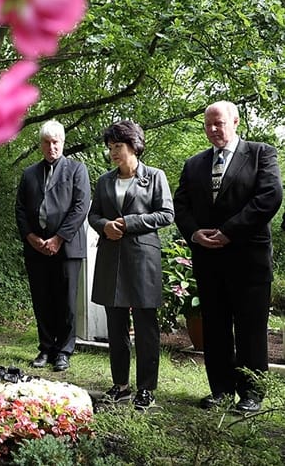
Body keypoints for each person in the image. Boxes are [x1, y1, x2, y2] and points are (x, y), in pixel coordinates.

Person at [173, 101, 283, 413]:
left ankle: (251, 394)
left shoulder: (262, 153)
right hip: (209, 262)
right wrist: (195, 234)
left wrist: (229, 231)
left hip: (249, 262)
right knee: (215, 329)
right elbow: (181, 205)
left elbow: (269, 197)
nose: (212, 130)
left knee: (250, 330)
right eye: (208, 124)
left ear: (235, 121)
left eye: (219, 123)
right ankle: (220, 390)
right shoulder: (194, 164)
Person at [88, 120, 174, 409]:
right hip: (111, 259)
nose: (113, 152)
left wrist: (131, 222)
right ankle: (120, 385)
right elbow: (93, 215)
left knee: (146, 326)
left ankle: (146, 389)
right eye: (110, 147)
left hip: (142, 260)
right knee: (116, 325)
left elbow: (166, 214)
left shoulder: (156, 177)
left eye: (118, 146)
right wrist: (105, 225)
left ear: (134, 146)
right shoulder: (104, 181)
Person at [15, 120, 91, 371]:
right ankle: (46, 348)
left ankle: (64, 351)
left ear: (63, 143)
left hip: (67, 247)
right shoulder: (29, 174)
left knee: (66, 301)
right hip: (36, 248)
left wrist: (58, 238)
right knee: (42, 299)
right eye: (47, 143)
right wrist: (31, 237)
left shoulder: (77, 170)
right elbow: (21, 209)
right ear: (41, 145)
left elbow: (80, 208)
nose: (51, 147)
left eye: (56, 142)